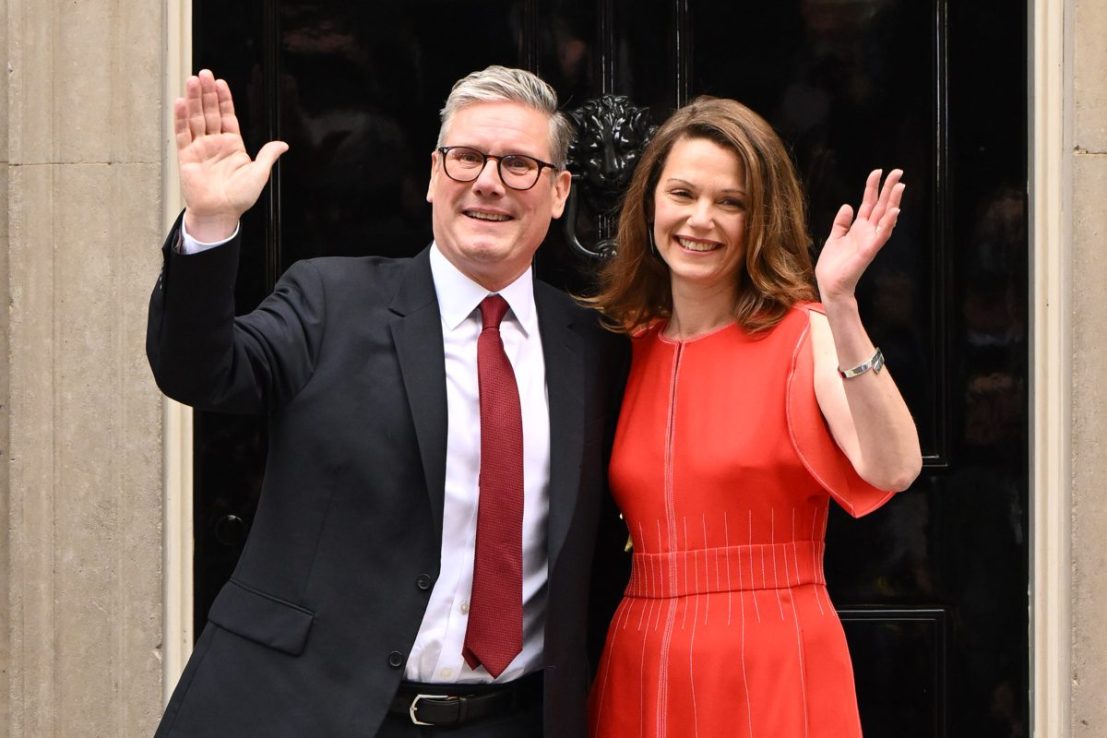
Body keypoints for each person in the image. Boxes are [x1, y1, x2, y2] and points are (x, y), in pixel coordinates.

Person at [147, 66, 626, 737]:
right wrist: (211, 221)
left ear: (558, 192)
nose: (488, 181)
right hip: (313, 710)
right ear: (433, 174)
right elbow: (198, 372)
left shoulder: (595, 347)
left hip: (512, 719)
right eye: (466, 158)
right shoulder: (328, 301)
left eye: (519, 164)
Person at [585, 97, 923, 737]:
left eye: (730, 202)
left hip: (774, 650)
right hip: (641, 653)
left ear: (759, 218)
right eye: (682, 193)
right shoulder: (622, 345)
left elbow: (896, 467)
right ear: (650, 202)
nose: (700, 220)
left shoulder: (804, 333)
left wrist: (842, 304)